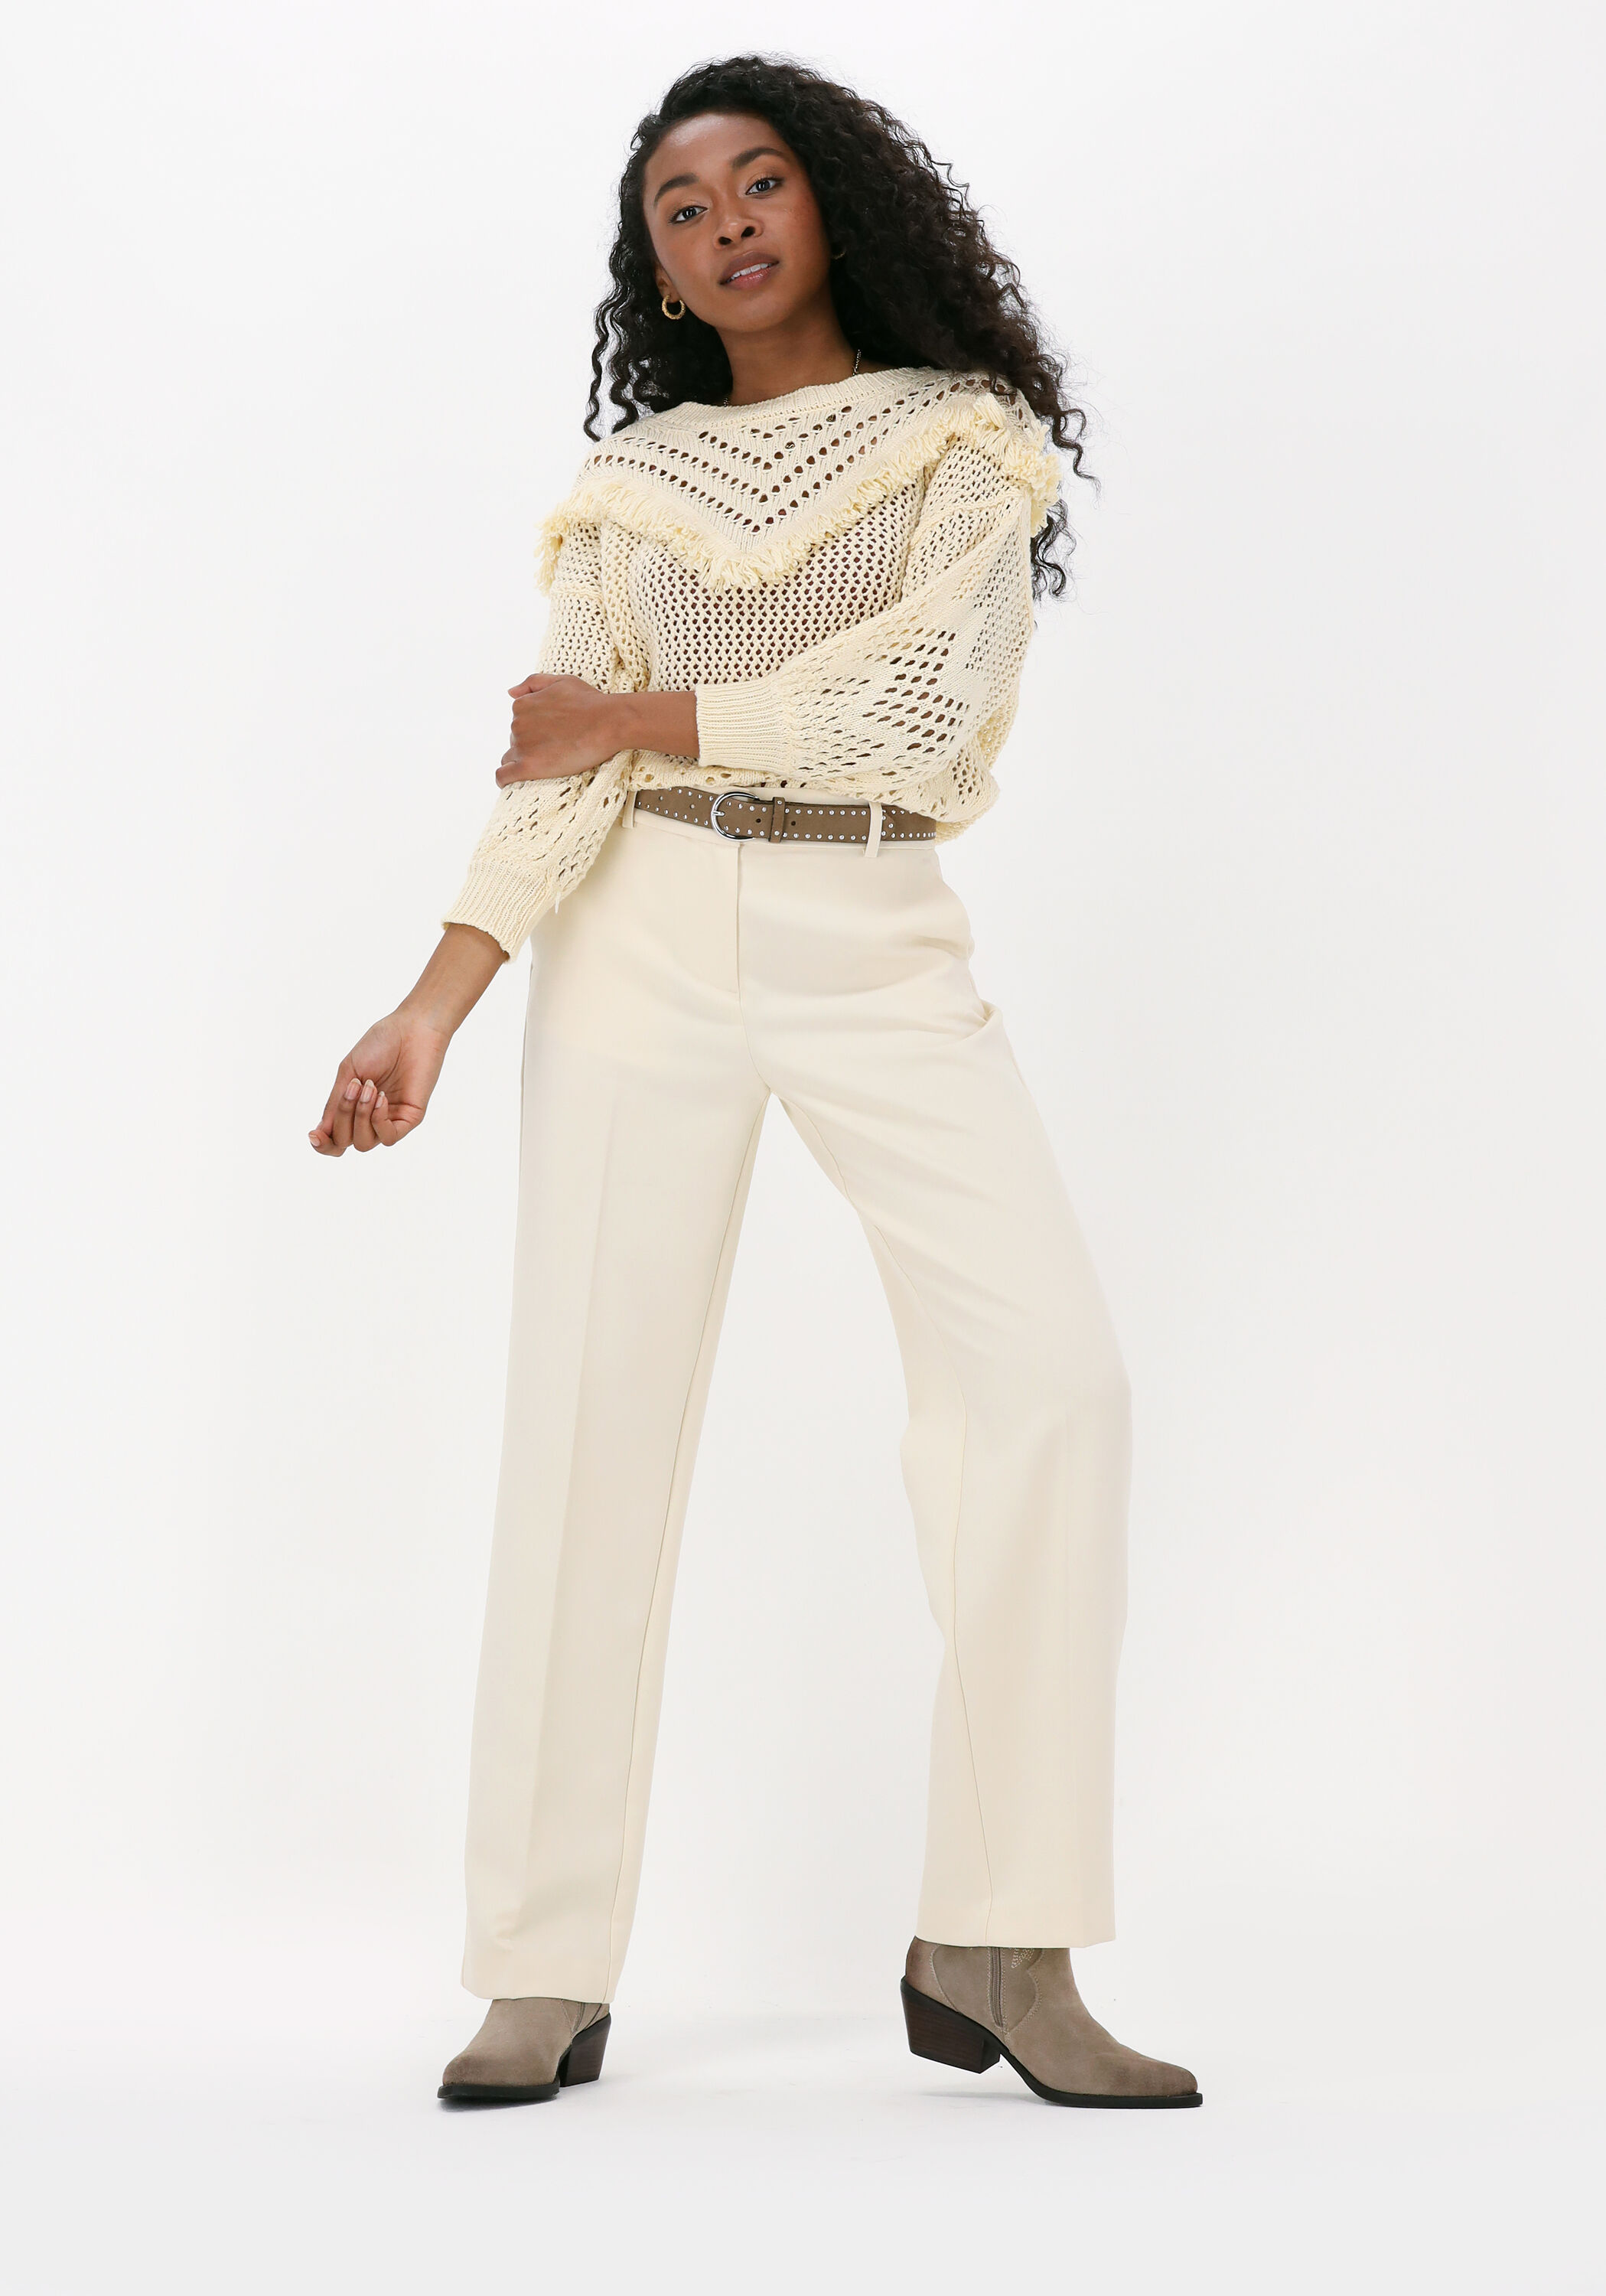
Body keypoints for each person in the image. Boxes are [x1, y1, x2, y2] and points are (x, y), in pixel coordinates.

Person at [309, 53, 1200, 2112]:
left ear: (837, 203)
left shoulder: (962, 441)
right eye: (681, 207)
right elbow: (555, 781)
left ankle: (1003, 1938)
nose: (723, 223)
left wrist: (635, 711)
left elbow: (921, 707)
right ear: (656, 267)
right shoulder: (636, 488)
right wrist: (435, 998)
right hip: (637, 933)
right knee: (586, 1424)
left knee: (1050, 1387)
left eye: (759, 181)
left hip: (872, 930)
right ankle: (540, 1961)